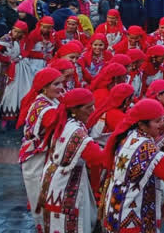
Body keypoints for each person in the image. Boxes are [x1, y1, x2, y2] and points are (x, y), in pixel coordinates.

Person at [100, 99, 164, 233]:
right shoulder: (145, 148)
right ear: (141, 124)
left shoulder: (128, 137)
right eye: (157, 121)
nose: (162, 124)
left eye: (162, 119)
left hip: (116, 208)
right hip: (131, 214)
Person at [37, 88, 104, 233]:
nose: (93, 110)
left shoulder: (66, 123)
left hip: (57, 182)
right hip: (65, 186)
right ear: (74, 109)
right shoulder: (75, 131)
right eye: (88, 107)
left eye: (93, 105)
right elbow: (98, 158)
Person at [17, 68, 64, 229]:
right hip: (35, 160)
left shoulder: (50, 101)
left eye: (61, 83)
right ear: (44, 87)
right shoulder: (44, 107)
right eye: (56, 84)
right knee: (39, 196)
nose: (61, 87)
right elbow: (56, 123)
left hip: (42, 157)